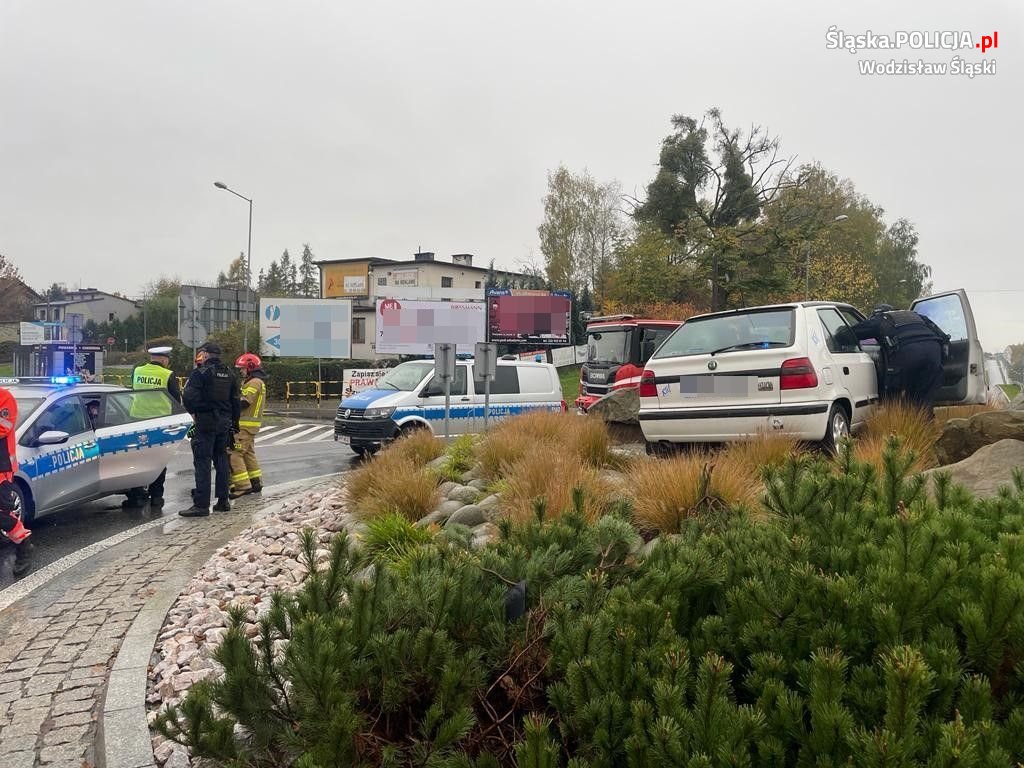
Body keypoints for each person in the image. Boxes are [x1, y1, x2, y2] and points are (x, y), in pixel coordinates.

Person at [846, 304, 948, 412]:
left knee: (893, 396)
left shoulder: (880, 319)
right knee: (925, 400)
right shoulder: (918, 317)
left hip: (908, 354)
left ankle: (896, 422)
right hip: (934, 353)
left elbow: (850, 333)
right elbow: (944, 338)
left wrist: (835, 335)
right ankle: (924, 425)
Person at [180, 342, 240, 517]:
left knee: (202, 462)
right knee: (221, 460)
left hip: (206, 422)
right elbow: (235, 401)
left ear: (206, 354)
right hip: (224, 423)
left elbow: (188, 397)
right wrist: (234, 423)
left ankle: (201, 505)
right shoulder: (230, 374)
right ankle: (223, 502)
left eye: (201, 353)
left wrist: (195, 412)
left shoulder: (200, 373)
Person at [123, 346, 182, 510]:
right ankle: (156, 496)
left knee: (137, 459)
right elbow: (176, 400)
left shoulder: (138, 371)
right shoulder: (168, 374)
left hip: (138, 420)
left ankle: (137, 495)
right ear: (164, 359)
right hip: (159, 423)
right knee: (158, 460)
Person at [0, 387, 32, 577]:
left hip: (1, 466)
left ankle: (24, 545)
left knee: (2, 515)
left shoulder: (5, 397)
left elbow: (3, 427)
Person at [228, 353, 266, 499]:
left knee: (234, 454)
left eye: (242, 368)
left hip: (245, 425)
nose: (241, 371)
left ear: (250, 367)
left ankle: (243, 486)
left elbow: (244, 402)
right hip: (249, 426)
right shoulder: (253, 381)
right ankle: (255, 482)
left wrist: (229, 401)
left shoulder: (254, 382)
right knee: (248, 453)